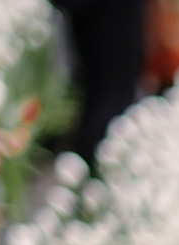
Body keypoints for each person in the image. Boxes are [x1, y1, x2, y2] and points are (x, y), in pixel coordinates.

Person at [54, 0, 146, 167]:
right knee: (111, 94)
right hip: (109, 12)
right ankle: (89, 169)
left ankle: (84, 169)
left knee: (100, 91)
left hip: (99, 13)